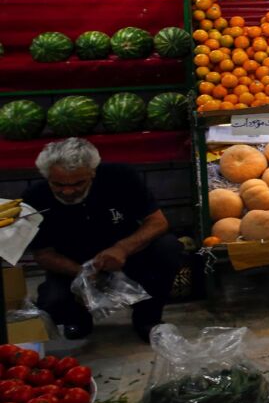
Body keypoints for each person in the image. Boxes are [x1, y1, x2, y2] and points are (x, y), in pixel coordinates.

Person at [23, 138, 183, 343]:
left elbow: (157, 222)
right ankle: (79, 319)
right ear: (47, 177)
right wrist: (83, 273)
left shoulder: (121, 177)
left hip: (128, 257)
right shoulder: (35, 197)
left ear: (93, 172)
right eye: (58, 184)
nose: (68, 191)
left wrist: (122, 248)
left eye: (78, 183)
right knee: (53, 302)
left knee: (167, 248)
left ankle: (147, 318)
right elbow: (43, 254)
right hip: (71, 266)